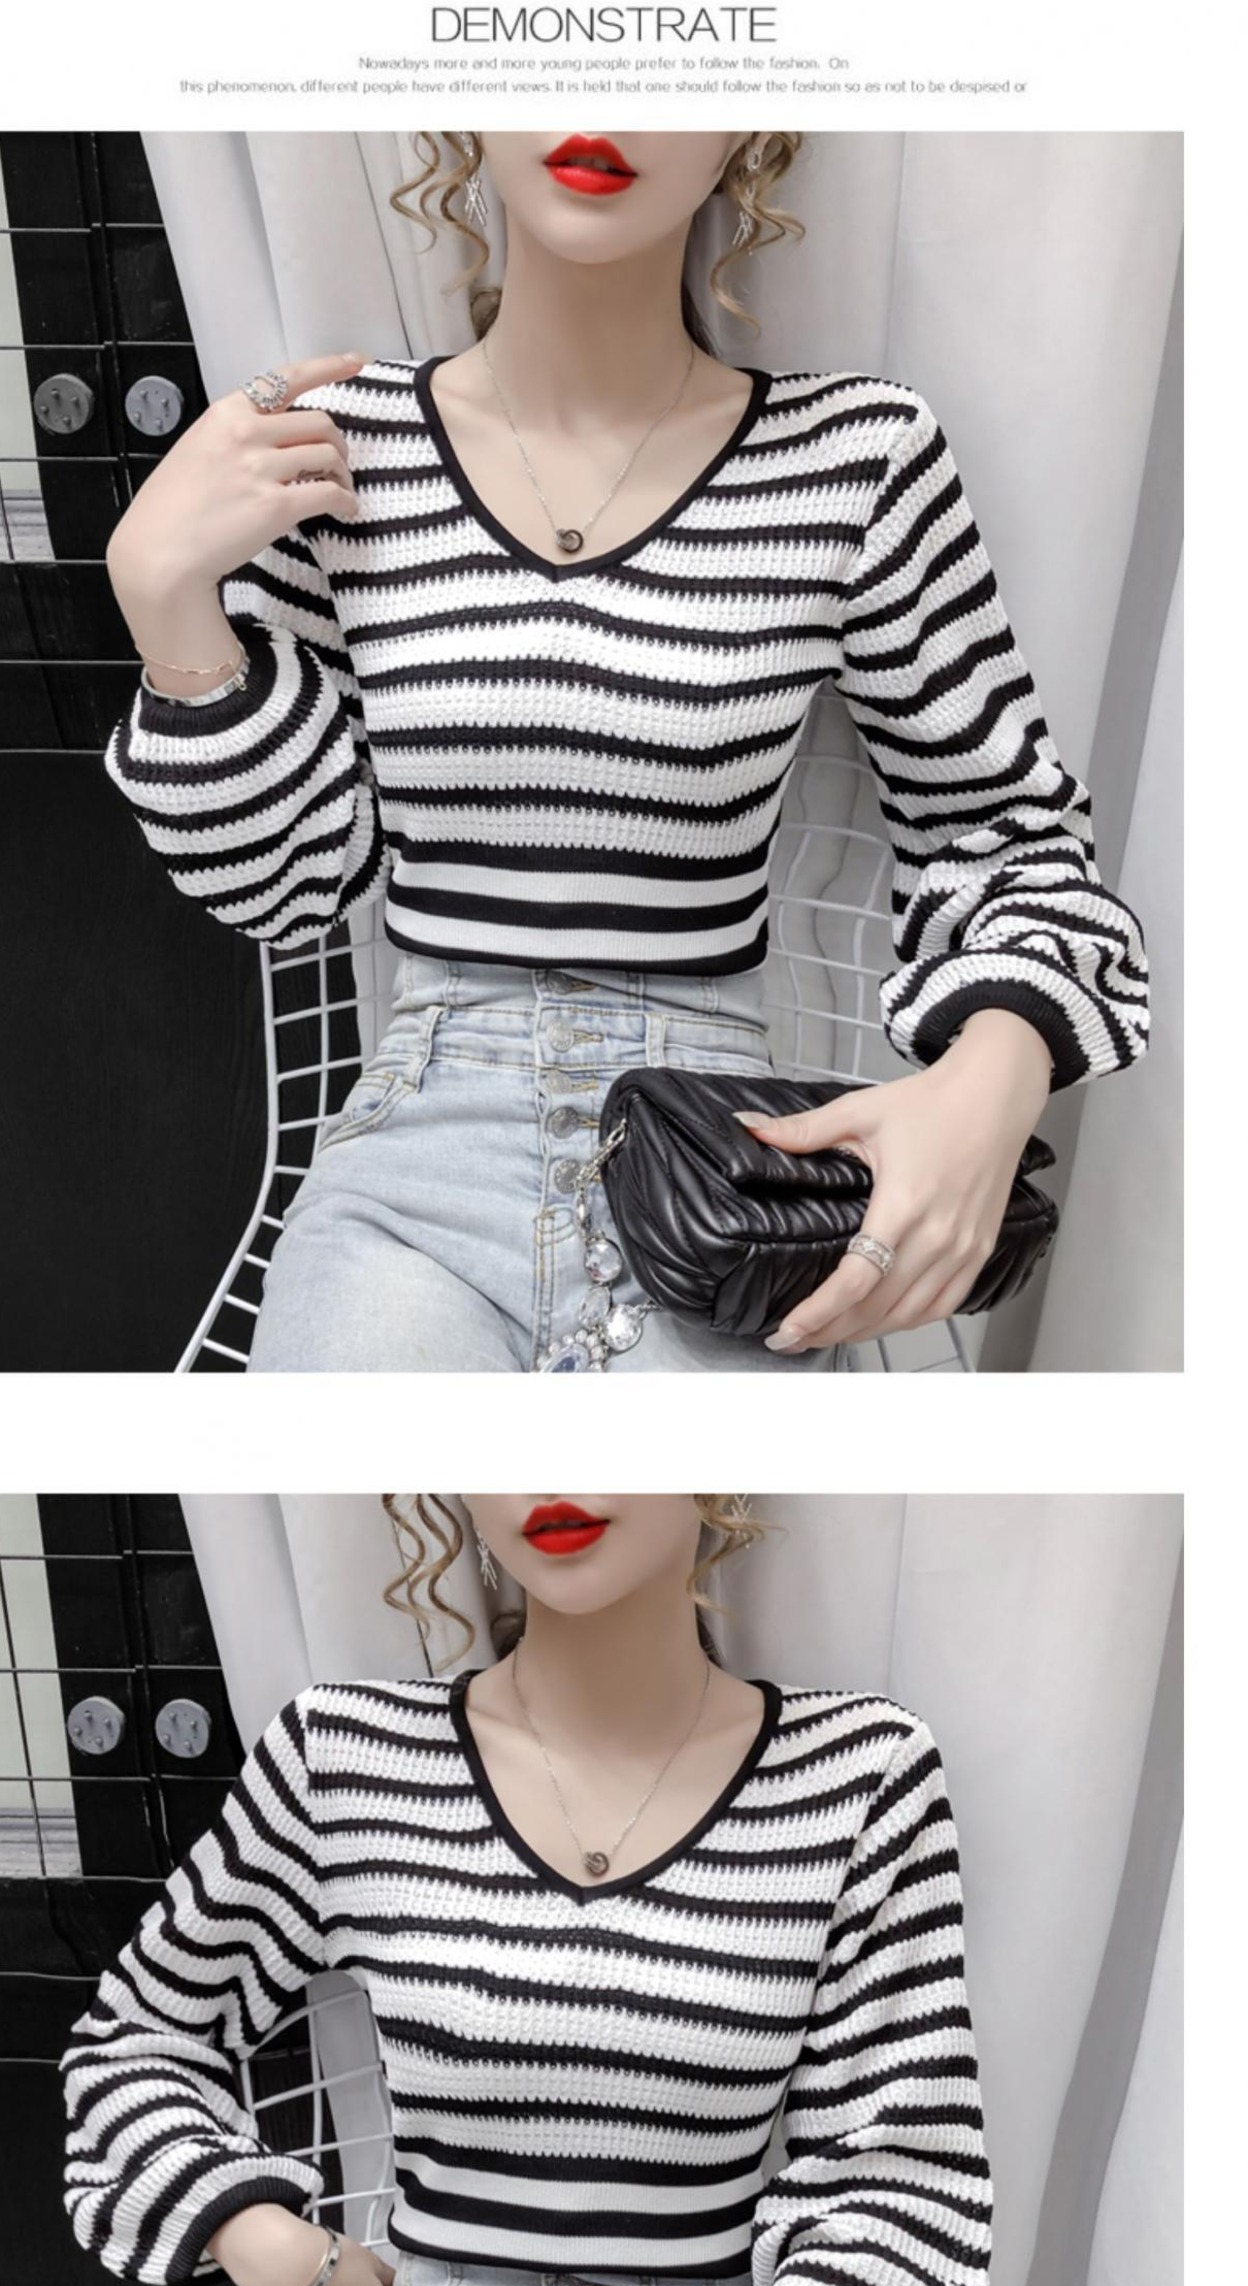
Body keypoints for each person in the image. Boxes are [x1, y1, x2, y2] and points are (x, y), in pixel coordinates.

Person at [101, 132, 1149, 1376]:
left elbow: (1006, 832)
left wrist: (994, 1073)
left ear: (744, 126)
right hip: (415, 1169)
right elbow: (285, 890)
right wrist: (164, 604)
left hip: (719, 1177)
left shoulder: (855, 457)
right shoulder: (340, 446)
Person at [60, 1495, 993, 2286]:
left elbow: (903, 2181)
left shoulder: (860, 1774)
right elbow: (136, 2036)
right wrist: (270, 2246)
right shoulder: (347, 1756)